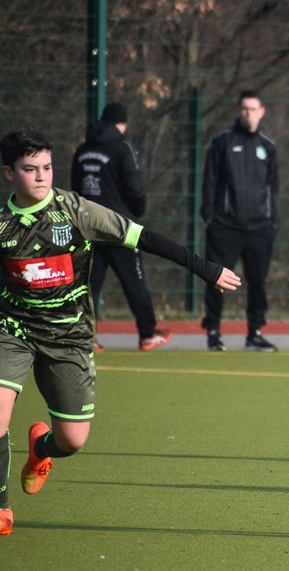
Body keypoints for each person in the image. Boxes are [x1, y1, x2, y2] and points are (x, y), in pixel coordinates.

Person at [0, 130, 240, 537]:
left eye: (46, 167)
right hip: (13, 330)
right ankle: (3, 509)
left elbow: (143, 237)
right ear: (8, 173)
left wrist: (205, 268)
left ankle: (40, 451)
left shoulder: (76, 212)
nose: (41, 177)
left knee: (73, 440)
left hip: (70, 337)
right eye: (29, 169)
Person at [71, 102, 170, 352]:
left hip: (87, 225)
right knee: (134, 281)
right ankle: (148, 334)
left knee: (88, 285)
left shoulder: (82, 150)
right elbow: (134, 187)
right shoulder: (122, 148)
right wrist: (137, 210)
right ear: (121, 124)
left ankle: (85, 337)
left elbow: (75, 188)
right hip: (119, 226)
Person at [201, 90, 279, 352]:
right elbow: (210, 180)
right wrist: (209, 217)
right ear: (238, 110)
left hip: (260, 227)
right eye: (244, 108)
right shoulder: (222, 142)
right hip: (225, 226)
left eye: (253, 109)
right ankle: (213, 332)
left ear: (262, 111)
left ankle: (254, 333)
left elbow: (273, 188)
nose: (249, 113)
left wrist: (272, 220)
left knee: (257, 280)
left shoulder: (268, 146)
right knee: (217, 279)